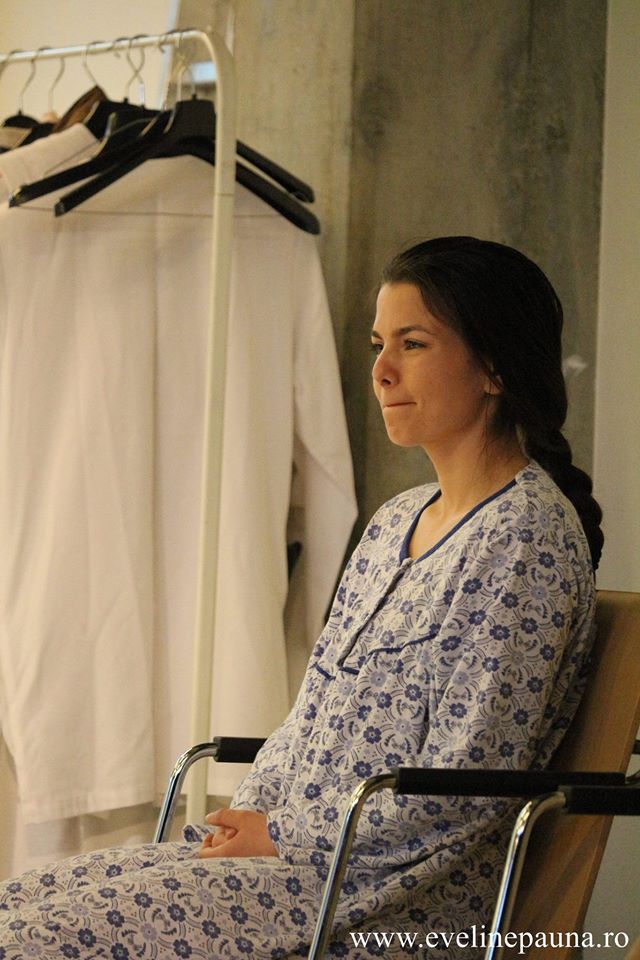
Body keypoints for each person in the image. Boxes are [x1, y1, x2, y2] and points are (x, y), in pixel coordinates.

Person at [0, 237, 603, 959]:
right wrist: (253, 810)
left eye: (412, 344)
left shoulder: (525, 537)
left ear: (495, 366)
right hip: (289, 867)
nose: (381, 371)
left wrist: (282, 833)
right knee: (17, 907)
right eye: (378, 345)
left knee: (34, 941)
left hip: (380, 903)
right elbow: (311, 711)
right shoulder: (394, 523)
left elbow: (466, 785)